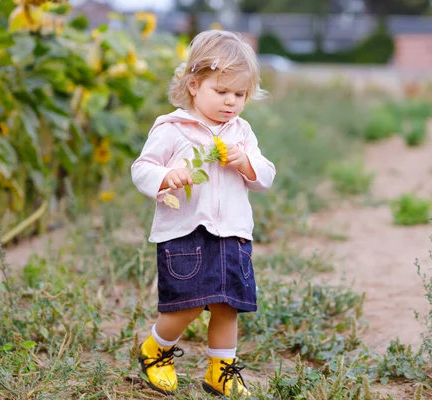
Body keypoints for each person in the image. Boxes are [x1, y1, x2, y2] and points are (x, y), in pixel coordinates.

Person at [131, 29, 276, 397]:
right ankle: (156, 349)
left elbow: (266, 177)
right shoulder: (173, 128)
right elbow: (142, 168)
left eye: (239, 95)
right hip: (184, 232)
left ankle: (220, 370)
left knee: (227, 305)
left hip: (232, 231)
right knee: (187, 302)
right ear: (194, 85)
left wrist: (246, 163)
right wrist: (166, 176)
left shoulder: (241, 132)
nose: (231, 102)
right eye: (221, 91)